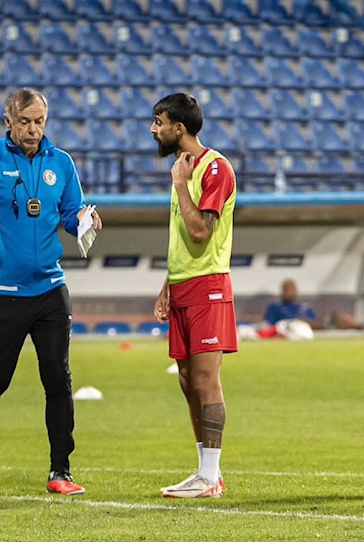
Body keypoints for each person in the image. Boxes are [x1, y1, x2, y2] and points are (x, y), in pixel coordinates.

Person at [0, 87, 102, 495]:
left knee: (58, 378)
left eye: (40, 122)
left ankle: (60, 471)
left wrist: (85, 220)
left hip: (50, 288)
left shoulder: (62, 163)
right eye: (26, 122)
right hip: (2, 292)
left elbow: (70, 214)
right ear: (8, 121)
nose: (33, 130)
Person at [150, 93, 238, 499]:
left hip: (208, 286)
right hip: (185, 284)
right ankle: (205, 472)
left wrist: (182, 185)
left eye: (159, 122)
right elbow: (182, 239)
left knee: (206, 381)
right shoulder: (181, 170)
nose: (155, 130)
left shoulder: (215, 168)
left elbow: (201, 231)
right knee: (187, 381)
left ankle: (211, 474)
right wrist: (168, 284)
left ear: (178, 129)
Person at [261, 278, 364, 334]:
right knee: (301, 321)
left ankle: (361, 326)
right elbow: (270, 325)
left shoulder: (303, 306)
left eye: (292, 289)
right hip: (293, 327)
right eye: (286, 289)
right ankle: (327, 324)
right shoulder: (275, 307)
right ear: (282, 291)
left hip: (312, 325)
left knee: (333, 316)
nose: (290, 292)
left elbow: (313, 319)